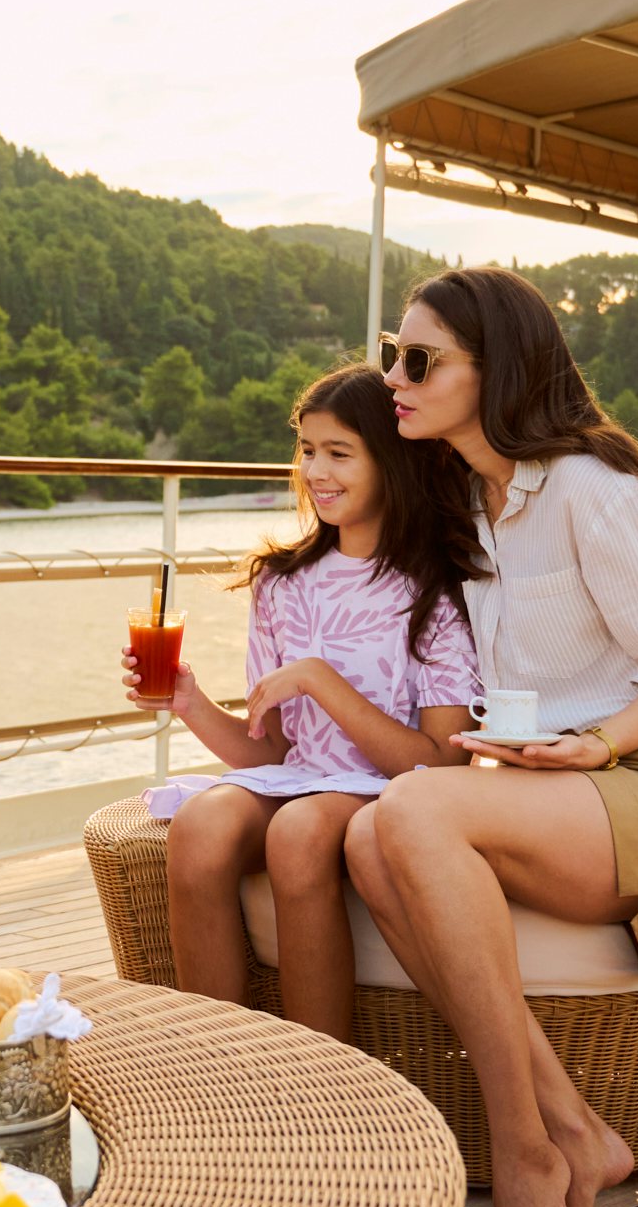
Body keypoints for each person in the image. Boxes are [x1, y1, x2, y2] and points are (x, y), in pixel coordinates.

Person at [353, 267, 638, 1207]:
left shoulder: (592, 490)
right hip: (567, 782)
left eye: (418, 359)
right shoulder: (470, 498)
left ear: (496, 370)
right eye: (391, 354)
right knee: (365, 835)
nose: (392, 376)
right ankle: (574, 1129)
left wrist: (598, 743)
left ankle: (523, 1148)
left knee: (410, 809)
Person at [127, 365, 483, 1041]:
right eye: (308, 449)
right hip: (299, 780)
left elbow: (440, 763)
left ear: (393, 461)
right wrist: (190, 703)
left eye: (339, 453)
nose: (316, 471)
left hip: (392, 793)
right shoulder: (281, 583)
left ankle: (320, 1070)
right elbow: (272, 750)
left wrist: (321, 679)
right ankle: (216, 1060)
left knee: (297, 831)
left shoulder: (439, 590)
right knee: (200, 826)